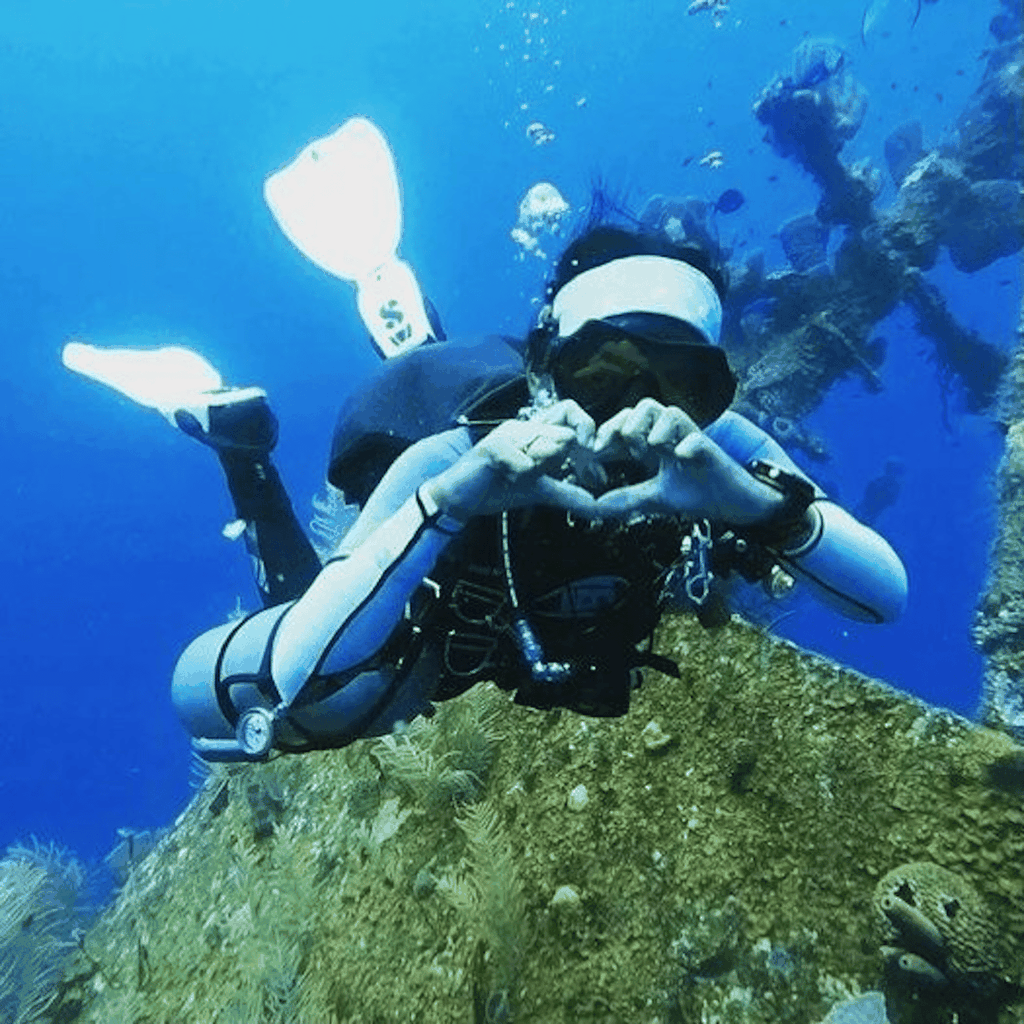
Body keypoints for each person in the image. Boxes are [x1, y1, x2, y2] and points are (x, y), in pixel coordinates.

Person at [65, 137, 907, 763]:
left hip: (527, 622)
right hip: (456, 620)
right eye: (601, 375)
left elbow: (885, 597)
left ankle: (409, 329)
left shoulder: (715, 450)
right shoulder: (454, 459)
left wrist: (760, 508)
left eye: (675, 384)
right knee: (323, 707)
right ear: (546, 374)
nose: (635, 420)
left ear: (713, 394)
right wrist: (448, 502)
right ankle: (243, 446)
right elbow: (290, 668)